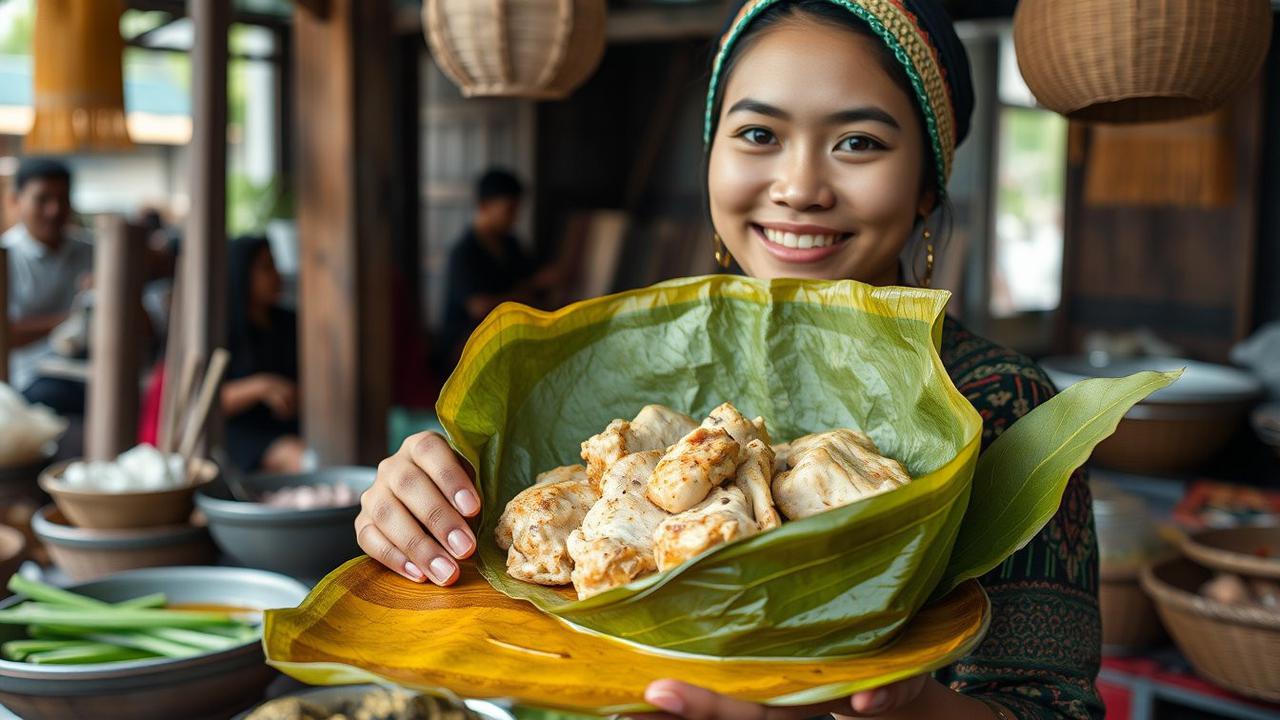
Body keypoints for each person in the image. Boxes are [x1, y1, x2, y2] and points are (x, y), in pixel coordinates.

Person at [357, 2, 1102, 719]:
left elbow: (1052, 706)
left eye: (859, 143)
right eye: (756, 134)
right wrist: (429, 513)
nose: (800, 188)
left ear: (928, 184)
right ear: (711, 155)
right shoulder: (636, 387)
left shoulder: (996, 403)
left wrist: (879, 709)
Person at [437, 168, 561, 372]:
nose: (515, 218)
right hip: (467, 343)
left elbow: (533, 277)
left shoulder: (511, 245)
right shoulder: (463, 252)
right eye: (509, 210)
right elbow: (478, 306)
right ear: (483, 206)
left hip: (504, 336)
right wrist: (523, 294)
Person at [2, 157, 93, 415]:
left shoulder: (91, 251)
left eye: (62, 200)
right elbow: (6, 335)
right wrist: (71, 318)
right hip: (29, 381)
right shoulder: (7, 257)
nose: (54, 210)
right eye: (42, 200)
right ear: (15, 201)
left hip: (87, 373)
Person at [221, 236, 306, 474]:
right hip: (241, 436)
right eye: (266, 267)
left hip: (291, 426)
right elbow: (207, 400)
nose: (276, 274)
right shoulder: (224, 329)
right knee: (302, 459)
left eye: (275, 265)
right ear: (242, 273)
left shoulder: (289, 323)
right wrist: (260, 387)